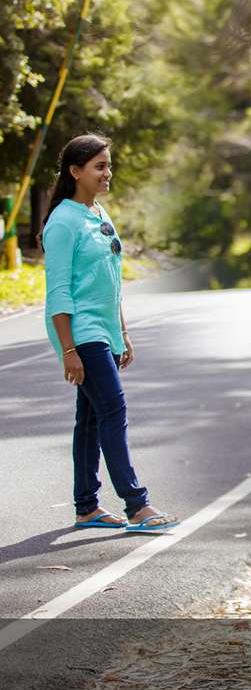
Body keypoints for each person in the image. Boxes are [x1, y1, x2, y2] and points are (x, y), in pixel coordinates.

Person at [42, 133, 178, 532]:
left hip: (103, 329)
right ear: (75, 171)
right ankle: (137, 505)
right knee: (113, 410)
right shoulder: (63, 223)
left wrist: (123, 332)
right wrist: (68, 350)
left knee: (89, 418)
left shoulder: (98, 213)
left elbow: (110, 279)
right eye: (99, 166)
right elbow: (58, 293)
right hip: (81, 332)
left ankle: (87, 507)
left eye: (108, 165)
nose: (108, 173)